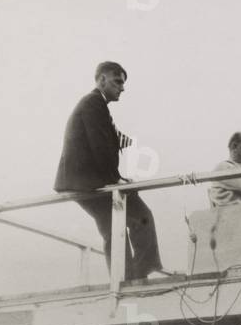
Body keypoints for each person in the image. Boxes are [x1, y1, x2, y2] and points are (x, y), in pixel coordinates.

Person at [55, 61, 163, 281]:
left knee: (115, 225)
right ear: (102, 79)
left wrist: (124, 146)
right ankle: (136, 275)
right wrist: (116, 181)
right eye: (118, 82)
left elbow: (106, 140)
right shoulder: (94, 104)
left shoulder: (96, 105)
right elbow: (100, 147)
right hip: (88, 182)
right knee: (139, 216)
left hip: (83, 180)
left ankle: (127, 277)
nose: (122, 88)